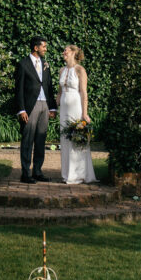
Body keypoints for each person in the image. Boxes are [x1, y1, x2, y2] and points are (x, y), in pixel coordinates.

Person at [14, 36, 56, 184]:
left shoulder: (46, 64)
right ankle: (26, 174)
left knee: (40, 139)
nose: (46, 49)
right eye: (43, 46)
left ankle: (37, 171)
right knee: (27, 140)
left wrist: (52, 107)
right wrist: (21, 110)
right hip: (30, 107)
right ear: (36, 48)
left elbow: (49, 86)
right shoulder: (23, 64)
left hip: (44, 105)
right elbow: (18, 89)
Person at [58, 44, 97, 185]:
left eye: (66, 50)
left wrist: (84, 113)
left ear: (74, 52)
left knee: (76, 138)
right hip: (63, 109)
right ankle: (67, 174)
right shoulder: (61, 70)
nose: (64, 52)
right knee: (65, 139)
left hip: (76, 108)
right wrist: (52, 108)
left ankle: (79, 174)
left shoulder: (80, 70)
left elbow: (83, 93)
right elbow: (59, 92)